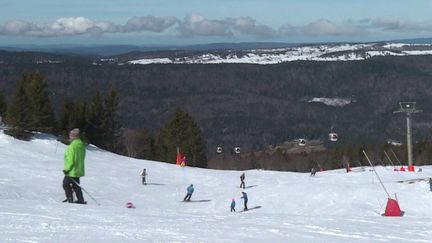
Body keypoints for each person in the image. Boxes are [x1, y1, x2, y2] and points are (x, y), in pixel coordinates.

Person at [62, 128, 86, 204]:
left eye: (70, 135)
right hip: (78, 169)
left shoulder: (72, 146)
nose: (69, 137)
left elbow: (70, 159)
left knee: (66, 184)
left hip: (72, 170)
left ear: (73, 136)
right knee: (76, 185)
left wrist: (67, 169)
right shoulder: (81, 145)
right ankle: (80, 199)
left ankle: (70, 199)